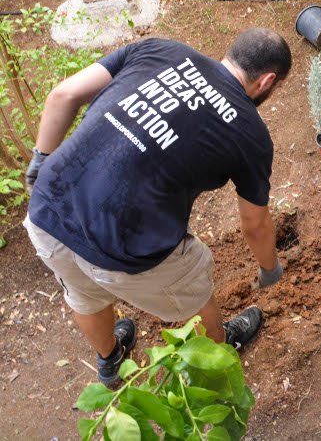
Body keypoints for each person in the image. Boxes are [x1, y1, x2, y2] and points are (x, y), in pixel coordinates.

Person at [23, 28, 291, 387]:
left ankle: (110, 361)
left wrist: (40, 162)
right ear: (268, 80)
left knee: (82, 293)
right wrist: (269, 269)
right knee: (192, 289)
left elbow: (63, 95)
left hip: (48, 209)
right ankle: (219, 350)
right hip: (127, 241)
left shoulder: (159, 49)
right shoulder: (250, 132)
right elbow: (255, 224)